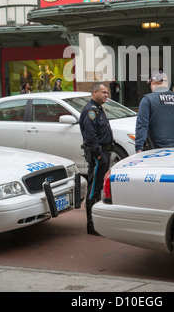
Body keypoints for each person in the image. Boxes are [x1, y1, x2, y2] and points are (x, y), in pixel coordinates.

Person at [79, 83, 114, 235]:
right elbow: (90, 136)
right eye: (104, 92)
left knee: (98, 187)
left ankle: (97, 222)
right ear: (94, 92)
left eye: (107, 92)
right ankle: (91, 225)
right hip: (98, 154)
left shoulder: (98, 108)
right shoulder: (90, 111)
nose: (106, 95)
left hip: (103, 153)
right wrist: (99, 154)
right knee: (94, 188)